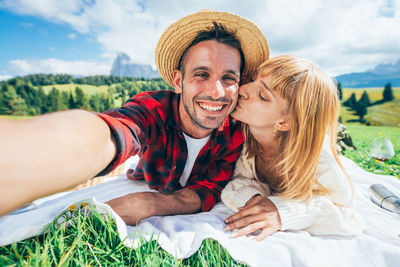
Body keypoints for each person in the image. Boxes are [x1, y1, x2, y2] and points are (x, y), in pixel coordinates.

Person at [0, 10, 269, 220]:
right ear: (178, 81)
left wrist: (150, 203)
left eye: (228, 77)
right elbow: (112, 133)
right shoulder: (153, 109)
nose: (216, 91)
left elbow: (209, 190)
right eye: (201, 74)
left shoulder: (239, 129)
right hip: (137, 176)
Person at [221, 55, 364, 241]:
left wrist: (284, 212)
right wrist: (254, 199)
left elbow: (347, 215)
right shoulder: (244, 139)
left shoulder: (320, 163)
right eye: (253, 79)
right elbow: (237, 180)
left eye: (263, 96)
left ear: (284, 122)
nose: (243, 89)